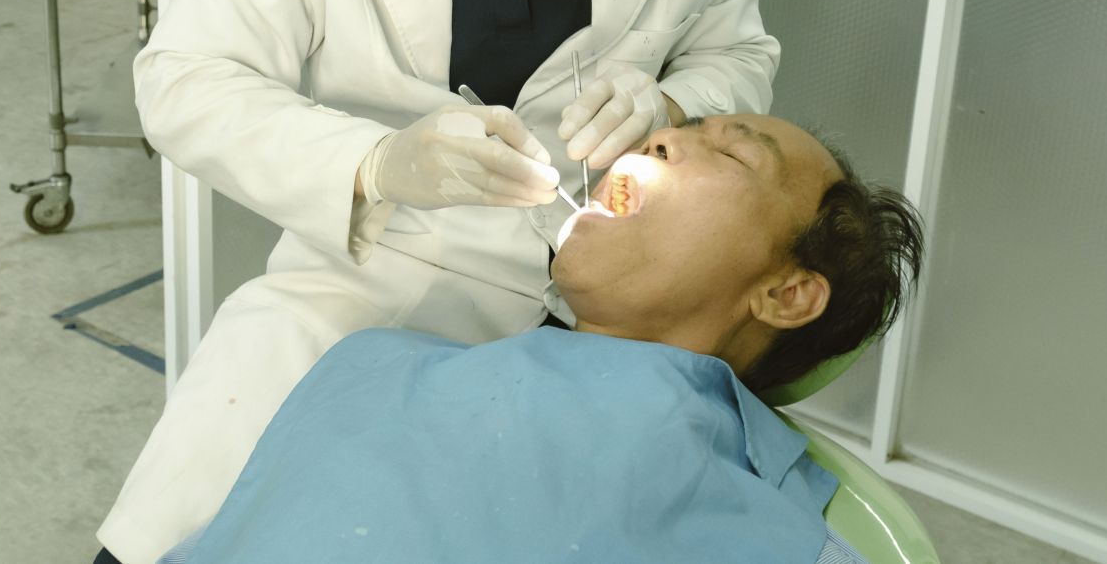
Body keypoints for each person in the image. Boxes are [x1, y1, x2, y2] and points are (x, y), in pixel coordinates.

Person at [95, 0, 782, 564]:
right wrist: (376, 164)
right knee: (208, 527)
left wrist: (672, 99)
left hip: (608, 316)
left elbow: (740, 57)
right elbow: (185, 79)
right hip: (372, 283)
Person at [154, 115, 925, 564]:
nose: (661, 136)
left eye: (730, 153)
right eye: (681, 127)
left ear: (787, 294)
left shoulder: (763, 526)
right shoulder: (376, 361)